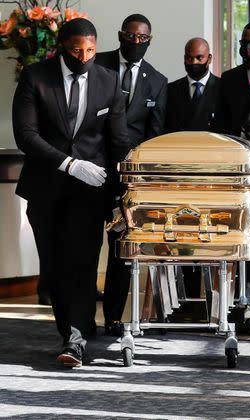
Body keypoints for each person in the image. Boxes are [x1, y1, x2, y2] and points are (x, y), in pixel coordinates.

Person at [13, 18, 129, 367]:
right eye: (78, 50)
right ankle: (72, 328)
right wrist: (68, 163)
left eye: (91, 50)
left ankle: (75, 340)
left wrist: (124, 188)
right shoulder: (36, 77)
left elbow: (118, 141)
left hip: (90, 192)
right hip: (46, 187)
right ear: (63, 46)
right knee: (55, 267)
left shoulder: (109, 81)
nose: (85, 56)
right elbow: (26, 135)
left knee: (81, 264)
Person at [95, 14, 167, 336]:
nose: (136, 42)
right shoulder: (97, 64)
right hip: (91, 167)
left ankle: (112, 316)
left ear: (150, 40)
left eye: (143, 38)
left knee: (120, 249)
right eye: (131, 36)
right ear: (121, 34)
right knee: (83, 245)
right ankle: (80, 315)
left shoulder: (158, 81)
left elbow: (155, 136)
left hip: (127, 179)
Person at [165, 38, 220, 133]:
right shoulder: (170, 90)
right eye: (189, 58)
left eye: (199, 58)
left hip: (213, 145)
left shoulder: (223, 87)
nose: (194, 62)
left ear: (209, 59)